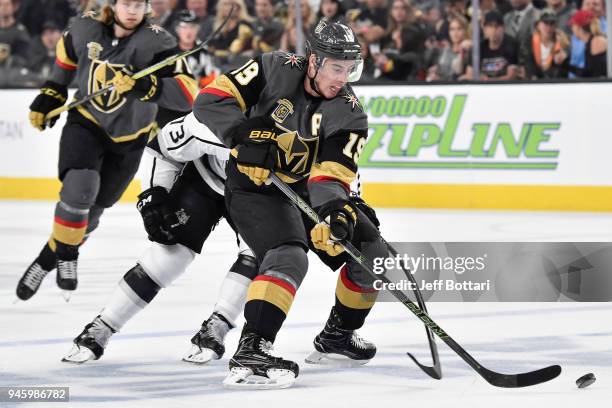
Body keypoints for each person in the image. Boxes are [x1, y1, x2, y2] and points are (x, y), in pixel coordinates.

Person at [193, 19, 387, 389]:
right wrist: (242, 135)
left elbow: (330, 176)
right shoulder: (273, 68)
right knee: (288, 255)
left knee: (372, 255)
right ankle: (253, 348)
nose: (342, 79)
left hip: (305, 192)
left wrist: (336, 213)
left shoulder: (350, 113)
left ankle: (337, 336)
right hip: (255, 188)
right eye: (335, 68)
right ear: (313, 61)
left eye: (348, 69)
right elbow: (210, 99)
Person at [15, 0, 197, 302]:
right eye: (126, 3)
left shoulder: (158, 41)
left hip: (132, 137)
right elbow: (65, 62)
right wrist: (51, 93)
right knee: (80, 190)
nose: (132, 10)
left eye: (140, 4)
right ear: (112, 4)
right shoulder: (84, 28)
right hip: (86, 123)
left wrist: (148, 87)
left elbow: (189, 93)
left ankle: (46, 259)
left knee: (93, 214)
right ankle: (69, 254)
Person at [62, 112, 259, 364]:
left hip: (256, 193)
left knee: (257, 252)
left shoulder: (304, 123)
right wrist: (154, 195)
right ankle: (102, 326)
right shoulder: (215, 117)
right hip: (205, 179)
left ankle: (218, 325)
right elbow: (162, 146)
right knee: (169, 254)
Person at [464, 10, 519, 80]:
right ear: (484, 28)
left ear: (503, 28)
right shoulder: (478, 48)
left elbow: (511, 77)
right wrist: (481, 79)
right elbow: (469, 75)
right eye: (490, 26)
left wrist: (490, 81)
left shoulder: (511, 45)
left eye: (497, 26)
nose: (494, 30)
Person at [520, 10, 569, 79]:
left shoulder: (563, 42)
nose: (549, 27)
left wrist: (563, 61)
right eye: (545, 23)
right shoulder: (528, 42)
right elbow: (528, 65)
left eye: (552, 24)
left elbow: (565, 69)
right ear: (538, 25)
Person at [567, 9, 607, 78]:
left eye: (572, 26)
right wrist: (565, 64)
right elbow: (588, 73)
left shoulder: (596, 41)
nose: (572, 29)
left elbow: (595, 75)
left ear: (578, 27)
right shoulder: (590, 42)